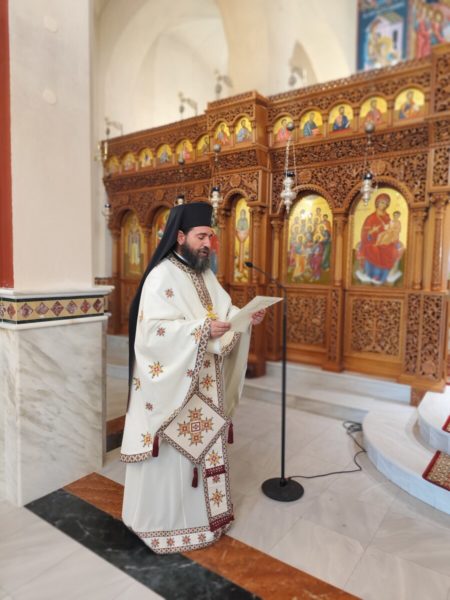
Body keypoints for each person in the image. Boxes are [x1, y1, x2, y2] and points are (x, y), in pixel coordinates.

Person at [121, 202, 265, 554]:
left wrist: (245, 317)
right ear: (181, 236)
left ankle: (205, 521)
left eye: (211, 237)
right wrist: (200, 331)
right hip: (175, 389)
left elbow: (224, 310)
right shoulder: (161, 276)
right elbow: (152, 333)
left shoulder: (205, 275)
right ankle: (167, 527)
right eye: (201, 237)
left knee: (202, 453)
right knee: (174, 459)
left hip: (206, 385)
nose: (208, 244)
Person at [357, 193, 400, 284]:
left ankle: (383, 277)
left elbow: (391, 229)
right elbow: (365, 233)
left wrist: (391, 236)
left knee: (391, 249)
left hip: (385, 240)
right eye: (381, 202)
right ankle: (372, 275)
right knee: (374, 249)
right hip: (371, 241)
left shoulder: (388, 218)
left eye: (385, 203)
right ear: (377, 203)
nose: (383, 205)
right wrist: (372, 232)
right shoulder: (371, 218)